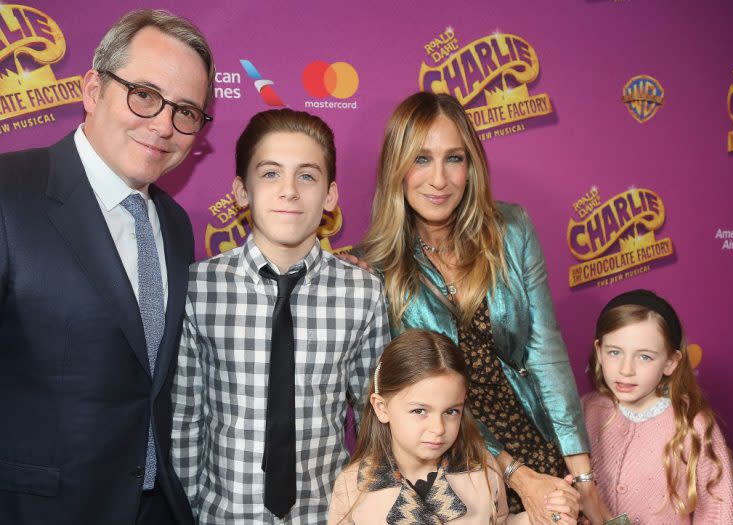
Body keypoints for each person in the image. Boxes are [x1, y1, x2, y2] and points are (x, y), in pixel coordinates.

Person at [348, 91, 611, 525]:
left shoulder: (512, 230)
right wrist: (516, 475)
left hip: (538, 441)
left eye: (454, 158)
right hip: (456, 470)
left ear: (471, 165)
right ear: (396, 168)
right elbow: (417, 400)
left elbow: (546, 354)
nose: (439, 180)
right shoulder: (375, 270)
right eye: (420, 159)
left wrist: (583, 478)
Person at [0, 8, 214, 525]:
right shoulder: (10, 192)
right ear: (93, 90)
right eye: (144, 95)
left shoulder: (175, 223)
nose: (163, 125)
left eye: (186, 111)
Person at [171, 108, 390, 524]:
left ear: (330, 195)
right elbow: (185, 422)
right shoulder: (199, 289)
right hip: (225, 514)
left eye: (307, 176)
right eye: (270, 173)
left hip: (327, 514)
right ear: (241, 190)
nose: (289, 190)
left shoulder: (362, 292)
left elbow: (373, 419)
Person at [329, 329, 580, 524]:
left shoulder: (482, 467)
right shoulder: (353, 486)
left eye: (451, 411)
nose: (438, 428)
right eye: (419, 411)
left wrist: (550, 514)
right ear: (382, 408)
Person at [582, 289, 733, 524]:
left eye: (644, 357)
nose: (626, 369)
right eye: (614, 352)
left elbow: (719, 510)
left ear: (670, 362)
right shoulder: (585, 409)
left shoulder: (693, 424)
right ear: (599, 351)